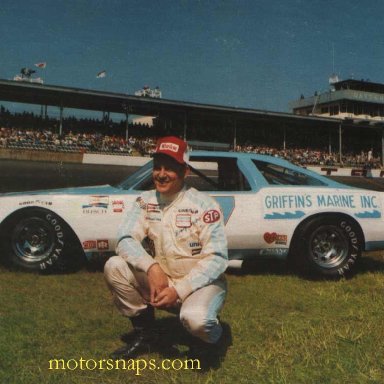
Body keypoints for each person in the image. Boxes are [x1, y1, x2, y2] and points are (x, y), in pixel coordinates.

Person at [104, 136, 228, 361]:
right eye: (157, 167)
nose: (161, 174)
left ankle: (214, 340)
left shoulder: (205, 205)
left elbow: (218, 259)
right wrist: (150, 267)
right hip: (161, 281)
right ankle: (146, 334)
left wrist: (180, 290)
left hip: (200, 285)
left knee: (196, 320)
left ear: (185, 172)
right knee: (114, 266)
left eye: (169, 168)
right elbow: (124, 238)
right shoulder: (144, 201)